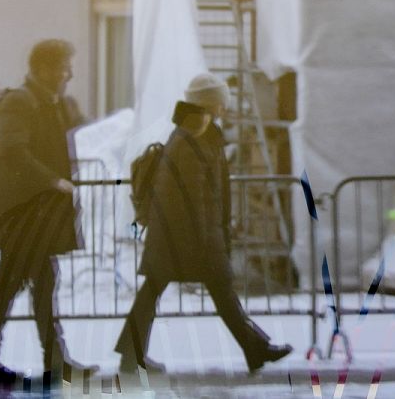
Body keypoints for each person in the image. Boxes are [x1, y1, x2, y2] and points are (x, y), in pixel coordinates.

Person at [115, 73, 292, 375]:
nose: (225, 106)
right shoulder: (192, 138)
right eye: (221, 101)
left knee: (164, 293)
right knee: (216, 292)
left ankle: (131, 356)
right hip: (188, 238)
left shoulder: (196, 133)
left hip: (177, 236)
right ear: (210, 103)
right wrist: (209, 240)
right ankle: (255, 349)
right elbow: (195, 199)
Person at [0, 39, 91, 386]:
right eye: (64, 67)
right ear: (44, 69)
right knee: (13, 288)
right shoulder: (20, 102)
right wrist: (53, 180)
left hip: (33, 217)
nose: (69, 74)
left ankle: (45, 362)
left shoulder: (45, 102)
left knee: (32, 288)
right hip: (22, 216)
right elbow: (12, 150)